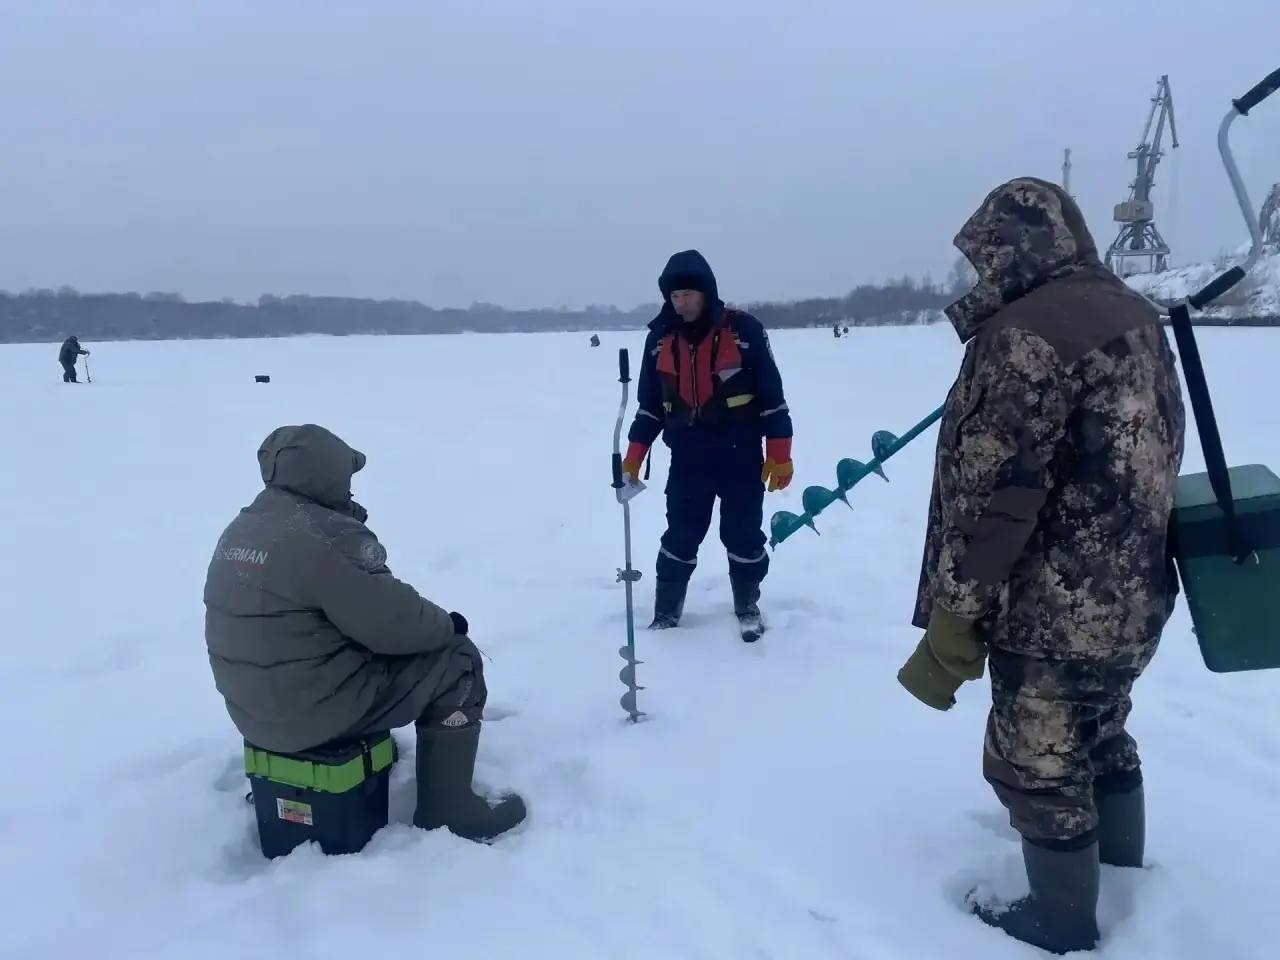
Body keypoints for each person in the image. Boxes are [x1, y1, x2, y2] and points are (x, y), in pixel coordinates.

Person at [897, 178, 1184, 953]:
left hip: (1054, 604)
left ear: (1014, 247)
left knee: (1037, 762)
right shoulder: (1132, 313)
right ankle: (1120, 879)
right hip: (1135, 591)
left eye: (987, 257)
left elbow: (993, 494)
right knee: (1102, 731)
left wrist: (959, 606)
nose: (981, 274)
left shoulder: (1026, 334)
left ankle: (1060, 922)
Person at [203, 423, 526, 843]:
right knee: (457, 659)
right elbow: (397, 623)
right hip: (311, 715)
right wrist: (449, 625)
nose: (350, 487)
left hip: (255, 716)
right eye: (345, 477)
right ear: (325, 475)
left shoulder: (244, 526)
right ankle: (450, 809)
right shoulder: (324, 535)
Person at [621, 249, 794, 640]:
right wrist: (634, 455)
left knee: (743, 535)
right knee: (680, 535)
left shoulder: (744, 330)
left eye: (688, 294)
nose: (681, 302)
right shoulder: (659, 339)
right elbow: (650, 407)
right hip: (688, 458)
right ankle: (666, 613)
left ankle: (747, 607)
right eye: (674, 295)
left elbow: (772, 398)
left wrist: (780, 453)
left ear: (706, 292)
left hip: (740, 456)